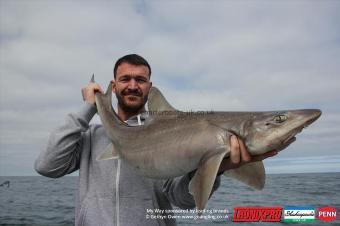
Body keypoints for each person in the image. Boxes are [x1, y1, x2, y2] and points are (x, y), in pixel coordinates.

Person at [35, 54, 278, 226]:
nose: (133, 85)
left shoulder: (175, 139)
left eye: (140, 80)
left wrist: (216, 170)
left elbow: (181, 200)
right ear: (114, 85)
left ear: (149, 86)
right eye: (125, 79)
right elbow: (47, 166)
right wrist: (90, 108)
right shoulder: (90, 138)